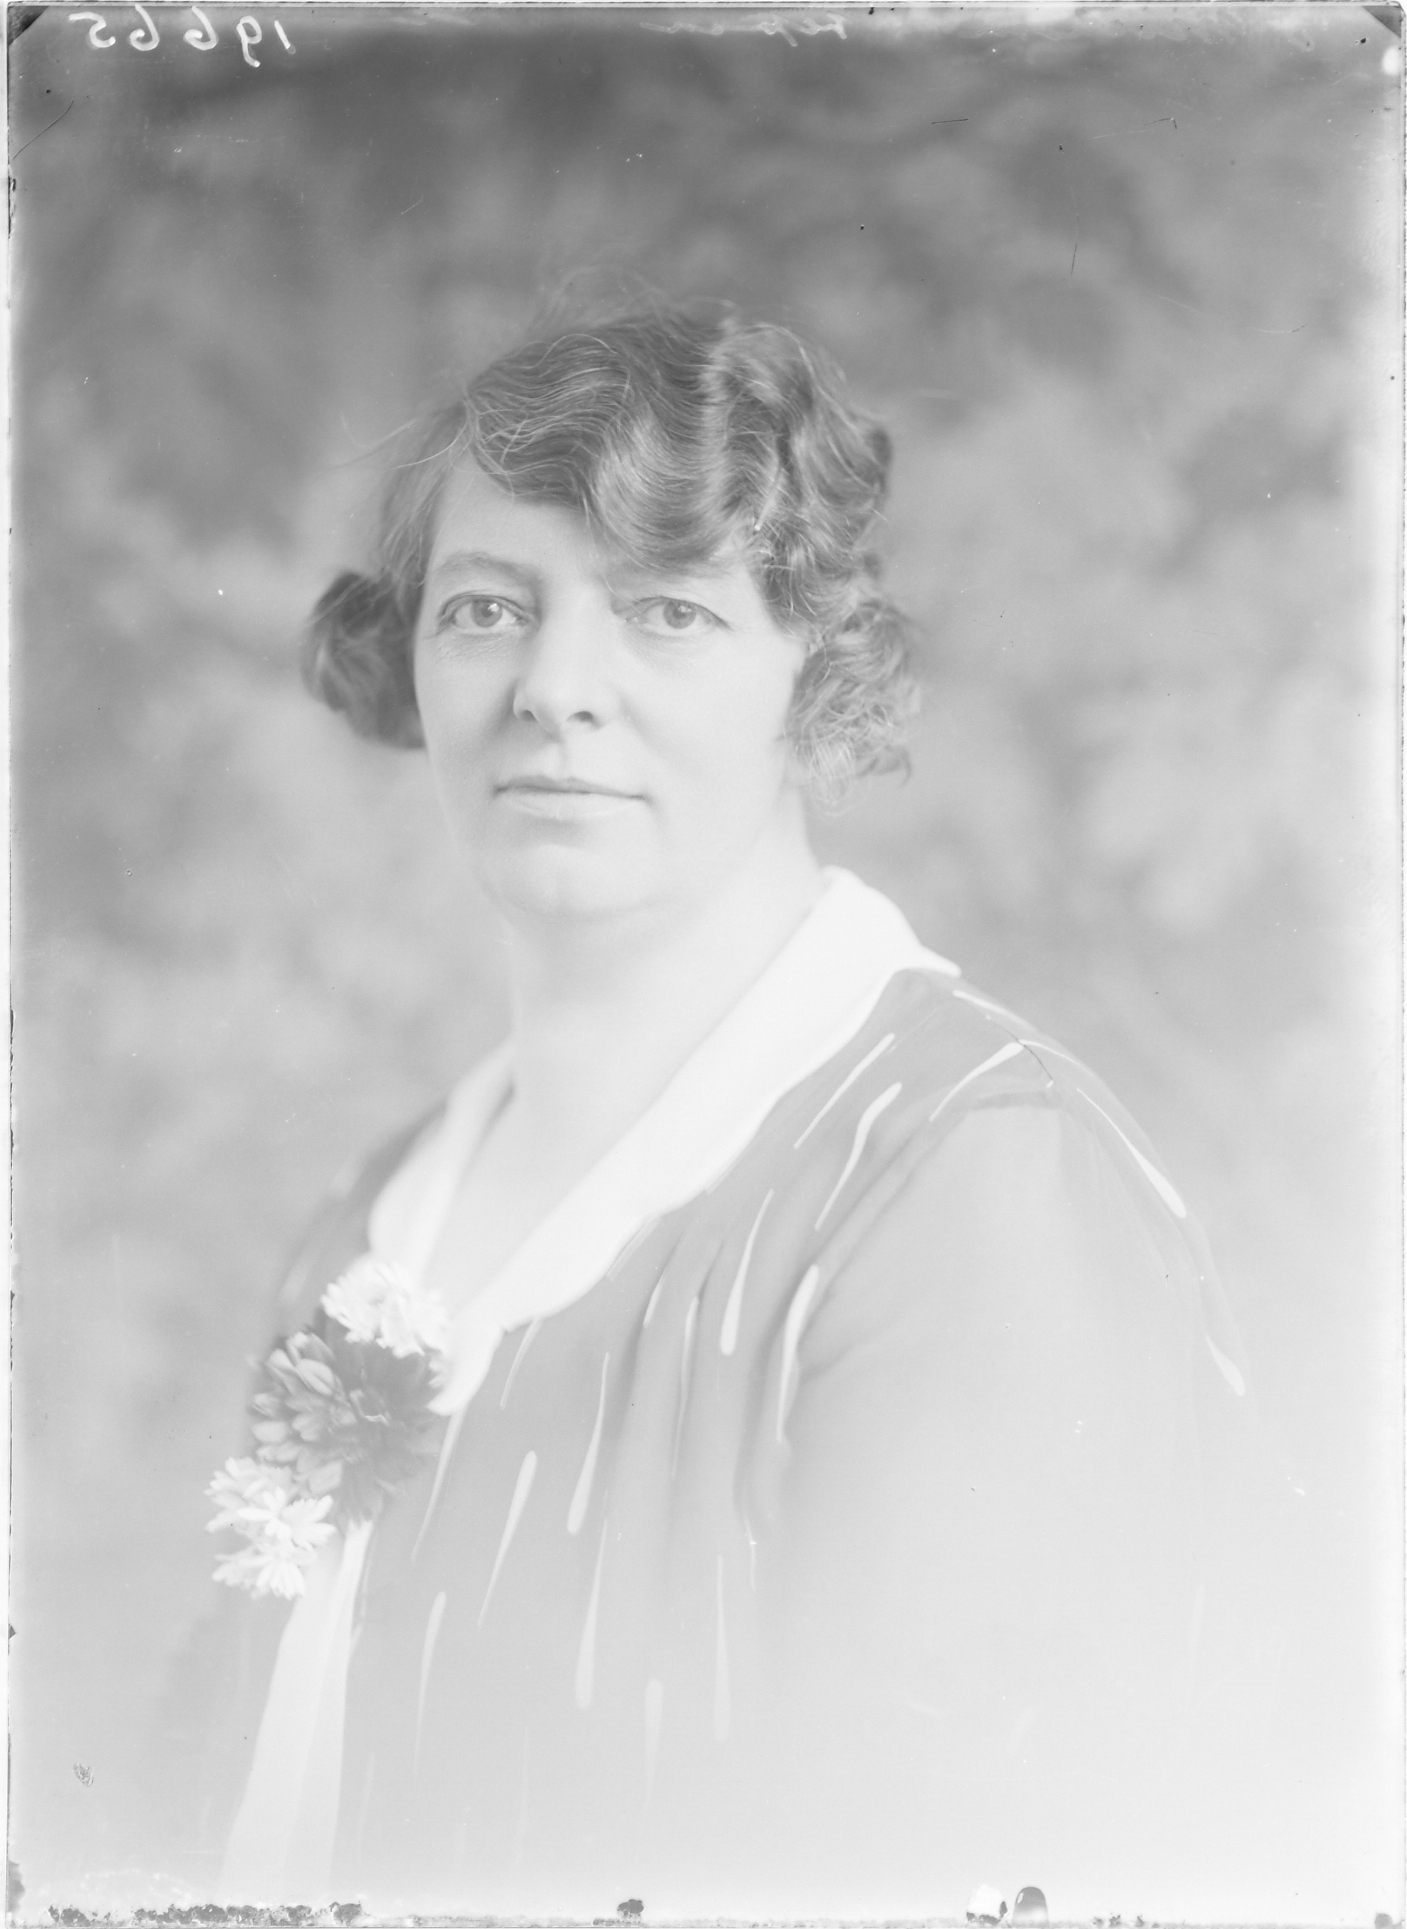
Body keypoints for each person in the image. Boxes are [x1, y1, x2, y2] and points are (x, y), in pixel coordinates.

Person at [188, 305, 1269, 1920]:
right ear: (409, 653)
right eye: (486, 608)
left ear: (814, 671)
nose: (556, 688)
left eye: (667, 611)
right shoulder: (369, 1224)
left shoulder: (956, 1176)